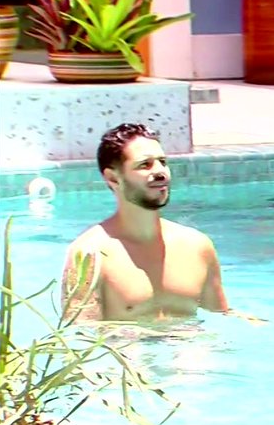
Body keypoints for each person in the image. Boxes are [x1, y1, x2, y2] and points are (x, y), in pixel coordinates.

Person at [60, 123, 262, 324]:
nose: (160, 172)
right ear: (113, 178)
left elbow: (220, 316)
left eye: (162, 162)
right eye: (144, 165)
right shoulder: (90, 253)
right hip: (130, 353)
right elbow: (80, 337)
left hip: (190, 351)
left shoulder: (197, 246)